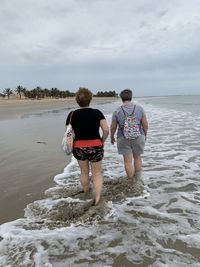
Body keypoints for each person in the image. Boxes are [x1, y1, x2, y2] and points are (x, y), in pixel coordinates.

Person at [66, 87, 109, 205]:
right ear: (90, 99)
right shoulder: (97, 113)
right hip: (96, 146)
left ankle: (86, 192)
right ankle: (98, 198)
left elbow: (69, 134)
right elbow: (106, 130)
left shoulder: (72, 114)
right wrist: (102, 141)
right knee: (97, 173)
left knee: (84, 172)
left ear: (77, 100)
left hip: (79, 147)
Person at [110, 89, 148, 179]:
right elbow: (145, 124)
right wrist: (145, 135)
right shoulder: (139, 108)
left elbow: (113, 126)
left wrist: (112, 136)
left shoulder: (117, 111)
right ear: (131, 97)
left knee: (127, 161)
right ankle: (138, 180)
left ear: (121, 98)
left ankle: (131, 181)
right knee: (137, 157)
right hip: (139, 136)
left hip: (123, 137)